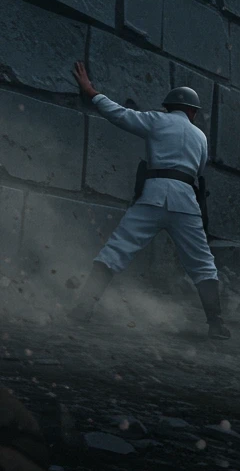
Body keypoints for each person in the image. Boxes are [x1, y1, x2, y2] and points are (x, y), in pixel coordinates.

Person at [69, 61, 229, 339]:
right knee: (203, 263)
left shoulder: (157, 120)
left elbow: (119, 114)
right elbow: (199, 171)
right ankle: (216, 323)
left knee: (116, 250)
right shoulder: (200, 137)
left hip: (153, 195)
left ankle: (83, 308)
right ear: (192, 111)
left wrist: (91, 91)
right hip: (186, 201)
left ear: (169, 106)